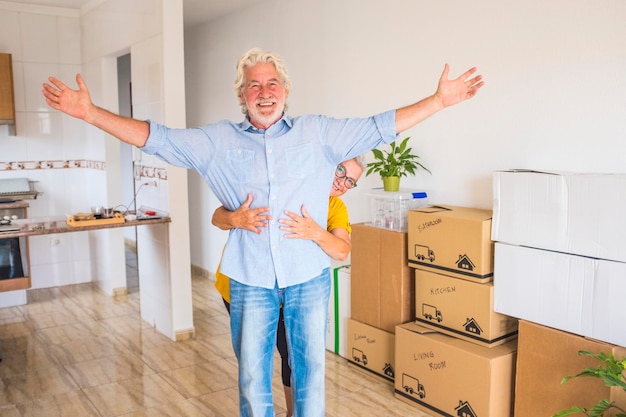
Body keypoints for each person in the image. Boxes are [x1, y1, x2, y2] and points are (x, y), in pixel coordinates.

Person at [42, 47, 483, 417]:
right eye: (254, 85)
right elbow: (156, 138)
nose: (264, 92)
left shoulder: (318, 133)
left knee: (309, 377)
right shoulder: (217, 142)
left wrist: (439, 101)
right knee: (253, 379)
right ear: (242, 95)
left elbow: (378, 125)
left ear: (286, 92)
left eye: (272, 84)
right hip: (250, 279)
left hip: (307, 278)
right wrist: (90, 113)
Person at [212, 157, 364, 417]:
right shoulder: (283, 185)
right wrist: (236, 219)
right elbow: (218, 217)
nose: (342, 182)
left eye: (350, 181)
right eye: (341, 170)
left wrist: (314, 231)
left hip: (294, 292)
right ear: (326, 163)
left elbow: (342, 250)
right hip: (245, 285)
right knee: (253, 363)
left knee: (291, 354)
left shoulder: (335, 207)